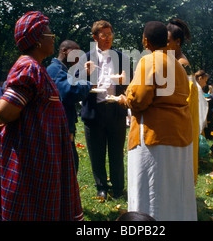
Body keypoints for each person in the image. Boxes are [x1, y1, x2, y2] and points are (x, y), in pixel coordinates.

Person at [0, 11, 83, 221]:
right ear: (36, 40)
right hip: (30, 154)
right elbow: (7, 111)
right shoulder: (28, 68)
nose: (53, 38)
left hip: (41, 151)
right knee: (29, 207)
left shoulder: (36, 67)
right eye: (49, 35)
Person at [118, 21, 197, 221]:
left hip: (155, 135)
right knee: (174, 186)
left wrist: (126, 99)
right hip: (180, 133)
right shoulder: (178, 64)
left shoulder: (149, 60)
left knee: (151, 188)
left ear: (146, 41)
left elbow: (139, 99)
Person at [77, 20, 132, 200]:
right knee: (96, 153)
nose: (108, 38)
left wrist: (124, 83)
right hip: (94, 111)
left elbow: (130, 83)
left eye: (110, 35)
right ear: (95, 37)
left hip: (116, 110)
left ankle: (118, 189)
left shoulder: (121, 57)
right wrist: (85, 74)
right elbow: (77, 84)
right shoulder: (85, 57)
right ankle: (101, 187)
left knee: (116, 152)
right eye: (103, 35)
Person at [47, 40, 92, 173]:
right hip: (61, 126)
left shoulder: (61, 69)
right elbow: (70, 92)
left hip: (64, 125)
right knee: (68, 167)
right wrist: (88, 84)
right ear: (65, 51)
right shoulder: (56, 70)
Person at [194, 70, 209, 137]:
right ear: (200, 78)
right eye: (205, 81)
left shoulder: (193, 85)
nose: (205, 84)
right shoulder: (197, 88)